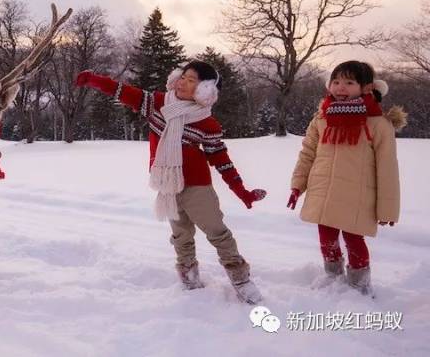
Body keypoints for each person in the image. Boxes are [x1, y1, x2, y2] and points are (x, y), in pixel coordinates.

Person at [76, 61, 266, 303]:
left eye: (192, 81)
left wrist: (243, 192)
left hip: (197, 187)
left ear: (205, 90)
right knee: (181, 235)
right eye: (183, 77)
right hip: (168, 185)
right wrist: (94, 80)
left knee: (218, 233)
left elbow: (222, 161)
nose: (183, 83)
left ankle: (240, 278)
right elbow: (124, 91)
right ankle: (189, 276)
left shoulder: (207, 123)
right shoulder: (158, 104)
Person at [288, 61, 406, 296]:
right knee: (326, 238)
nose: (341, 87)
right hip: (323, 192)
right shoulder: (321, 119)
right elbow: (308, 154)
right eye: (336, 81)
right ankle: (332, 277)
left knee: (354, 240)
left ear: (366, 87)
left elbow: (387, 168)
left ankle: (360, 284)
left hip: (357, 196)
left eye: (349, 82)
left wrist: (388, 210)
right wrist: (297, 186)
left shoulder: (378, 124)